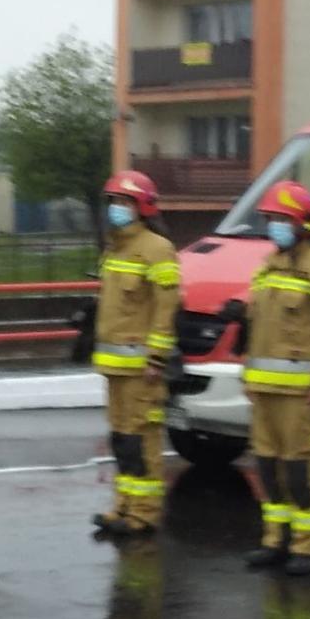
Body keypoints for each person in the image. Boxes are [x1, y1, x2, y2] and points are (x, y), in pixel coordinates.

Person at [239, 181, 310, 577]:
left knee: (301, 471)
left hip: (302, 395)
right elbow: (259, 331)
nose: (275, 227)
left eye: (281, 220)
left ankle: (308, 545)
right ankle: (276, 539)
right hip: (265, 391)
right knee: (268, 469)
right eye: (270, 219)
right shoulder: (267, 268)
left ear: (304, 223)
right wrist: (249, 377)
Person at [87, 171, 180, 536]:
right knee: (122, 440)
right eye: (113, 202)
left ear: (141, 207)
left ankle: (144, 513)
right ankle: (123, 505)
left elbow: (165, 307)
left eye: (123, 202)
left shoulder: (157, 249)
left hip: (142, 368)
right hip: (115, 367)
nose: (116, 209)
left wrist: (157, 356)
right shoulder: (115, 248)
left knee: (143, 440)